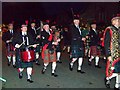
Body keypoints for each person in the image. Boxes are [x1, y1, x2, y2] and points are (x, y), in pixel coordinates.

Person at [103, 15, 120, 89]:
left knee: (119, 70)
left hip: (119, 53)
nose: (119, 22)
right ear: (113, 22)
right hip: (112, 54)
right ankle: (107, 78)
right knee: (112, 70)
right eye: (117, 20)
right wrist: (108, 54)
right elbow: (106, 42)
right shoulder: (109, 29)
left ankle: (117, 85)